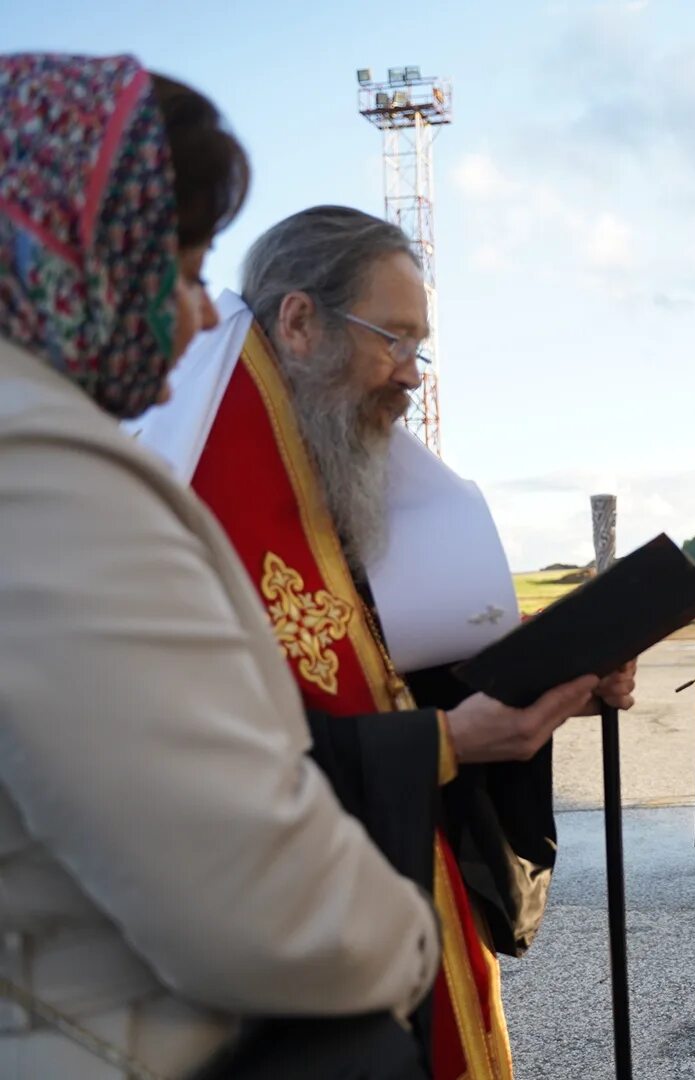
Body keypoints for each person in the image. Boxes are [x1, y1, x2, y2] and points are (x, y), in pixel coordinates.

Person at [0, 54, 439, 1077]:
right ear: (73, 249)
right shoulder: (43, 475)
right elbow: (250, 899)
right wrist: (412, 949)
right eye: (188, 268)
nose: (204, 316)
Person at [134, 204, 635, 1080]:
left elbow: (388, 665)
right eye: (393, 341)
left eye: (420, 347)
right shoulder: (187, 495)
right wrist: (444, 744)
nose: (413, 378)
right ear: (299, 323)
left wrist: (558, 668)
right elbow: (178, 771)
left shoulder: (329, 472)